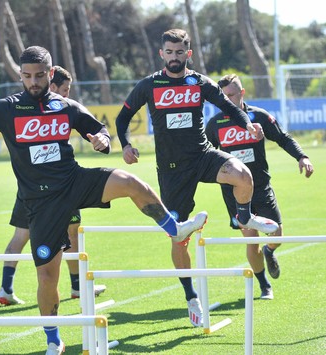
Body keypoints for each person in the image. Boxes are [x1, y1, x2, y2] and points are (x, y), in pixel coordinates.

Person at [0, 45, 208, 355]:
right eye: (27, 76)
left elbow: (97, 129)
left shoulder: (66, 106)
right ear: (20, 75)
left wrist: (101, 139)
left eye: (40, 75)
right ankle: (52, 339)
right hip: (41, 202)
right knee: (47, 276)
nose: (33, 82)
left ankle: (173, 228)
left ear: (51, 72)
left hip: (73, 181)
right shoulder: (8, 108)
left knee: (130, 182)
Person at [115, 29, 279, 328]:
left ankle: (246, 217)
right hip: (172, 168)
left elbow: (229, 107)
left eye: (180, 52)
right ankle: (191, 296)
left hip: (203, 155)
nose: (174, 57)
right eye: (169, 52)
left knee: (243, 176)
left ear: (187, 54)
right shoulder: (149, 85)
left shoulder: (200, 82)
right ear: (161, 54)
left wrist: (247, 125)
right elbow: (122, 118)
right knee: (179, 235)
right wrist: (125, 144)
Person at [0, 65, 106, 306]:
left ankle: (6, 287)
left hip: (29, 189)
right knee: (71, 233)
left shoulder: (54, 108)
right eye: (65, 89)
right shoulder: (45, 107)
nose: (67, 95)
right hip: (58, 188)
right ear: (52, 85)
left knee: (20, 236)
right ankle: (77, 287)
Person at [206, 73, 314, 300]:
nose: (227, 100)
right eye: (223, 96)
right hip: (233, 190)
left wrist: (302, 157)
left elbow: (283, 138)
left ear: (242, 93)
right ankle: (264, 285)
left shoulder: (259, 116)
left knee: (277, 234)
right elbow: (205, 155)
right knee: (251, 238)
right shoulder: (215, 124)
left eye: (232, 95)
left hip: (261, 186)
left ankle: (270, 250)